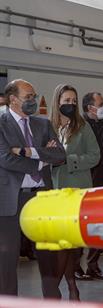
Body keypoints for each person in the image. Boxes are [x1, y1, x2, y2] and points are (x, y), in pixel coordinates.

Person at [0, 79, 66, 297]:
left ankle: (52, 300)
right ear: (13, 100)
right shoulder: (1, 123)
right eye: (28, 97)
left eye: (34, 96)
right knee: (7, 258)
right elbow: (5, 159)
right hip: (11, 198)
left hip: (41, 197)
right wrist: (40, 160)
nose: (34, 101)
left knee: (48, 255)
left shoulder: (43, 124)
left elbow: (59, 156)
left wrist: (29, 152)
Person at [50, 84, 101, 300]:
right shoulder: (48, 127)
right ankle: (71, 287)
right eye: (66, 100)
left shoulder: (83, 127)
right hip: (54, 192)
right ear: (57, 102)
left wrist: (68, 160)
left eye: (73, 100)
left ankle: (55, 290)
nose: (70, 104)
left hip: (77, 192)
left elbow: (94, 156)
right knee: (64, 244)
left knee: (68, 244)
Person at [79, 91, 103, 280]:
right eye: (101, 103)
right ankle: (77, 267)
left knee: (99, 227)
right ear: (90, 108)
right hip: (85, 182)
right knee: (82, 225)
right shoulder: (80, 127)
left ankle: (92, 265)